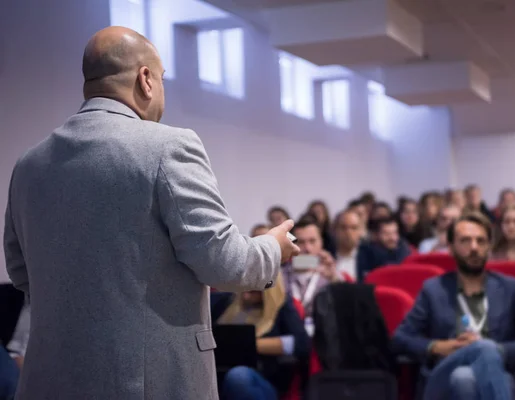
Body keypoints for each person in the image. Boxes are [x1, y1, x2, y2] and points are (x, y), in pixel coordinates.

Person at [3, 26, 300, 400]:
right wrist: (272, 247)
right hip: (149, 384)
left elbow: (19, 271)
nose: (162, 91)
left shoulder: (29, 164)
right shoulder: (168, 146)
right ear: (145, 79)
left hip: (48, 382)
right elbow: (223, 263)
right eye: (162, 79)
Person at [392, 212, 515, 400]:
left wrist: (499, 350)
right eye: (465, 241)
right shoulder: (433, 290)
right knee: (477, 356)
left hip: (502, 375)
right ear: (451, 248)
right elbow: (400, 338)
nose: (474, 247)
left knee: (465, 377)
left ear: (488, 247)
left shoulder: (511, 289)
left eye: (481, 241)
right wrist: (436, 347)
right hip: (443, 378)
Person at [211, 275, 310, 400]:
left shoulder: (282, 307)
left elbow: (301, 344)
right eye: (244, 287)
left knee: (238, 377)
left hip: (260, 378)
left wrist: (247, 345)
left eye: (253, 290)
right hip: (218, 376)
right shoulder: (225, 303)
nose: (246, 295)